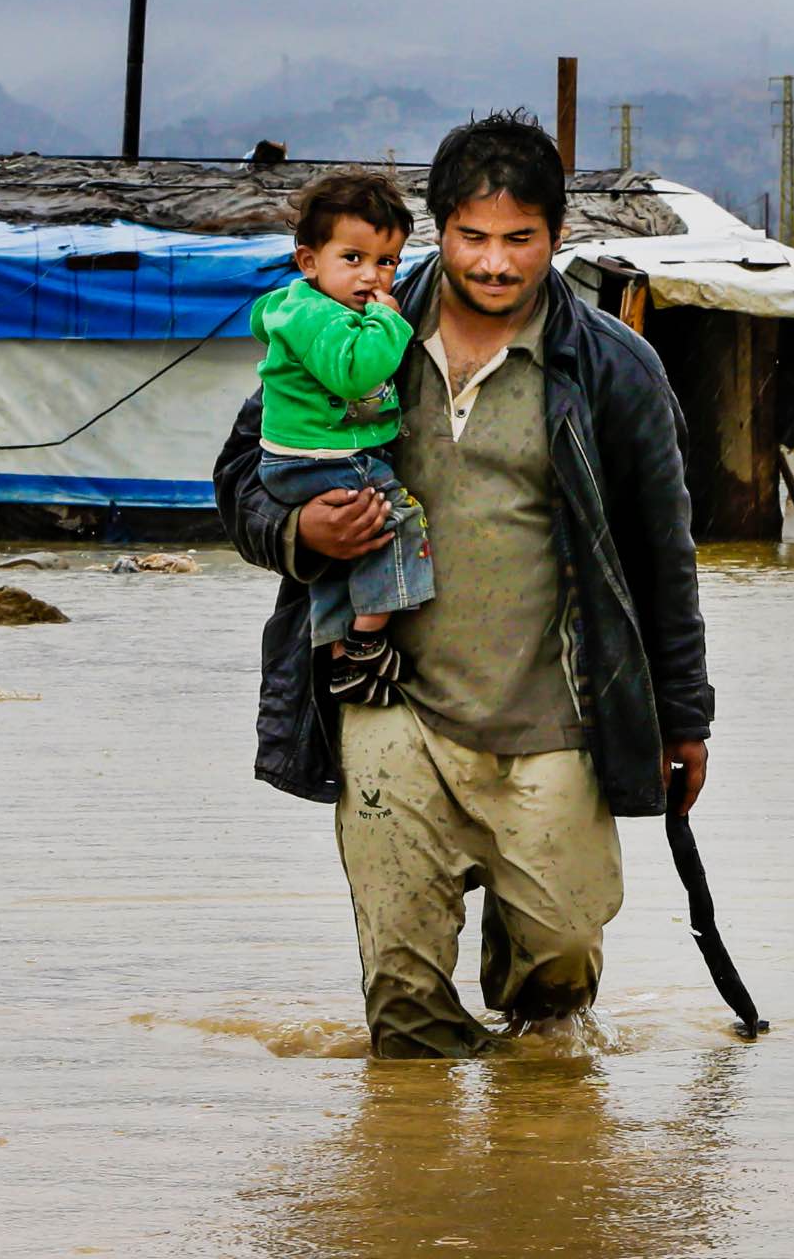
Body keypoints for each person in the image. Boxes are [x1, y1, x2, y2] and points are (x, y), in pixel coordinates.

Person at [214, 111, 714, 1058]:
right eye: (473, 238)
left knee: (557, 987)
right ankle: (420, 1192)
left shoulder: (613, 369)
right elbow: (243, 478)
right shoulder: (348, 335)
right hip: (389, 702)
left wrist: (685, 715)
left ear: (558, 237)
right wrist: (299, 532)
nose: (494, 262)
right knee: (402, 1005)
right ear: (436, 233)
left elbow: (664, 554)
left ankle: (532, 1170)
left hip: (556, 715)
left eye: (519, 239)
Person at [247, 170, 431, 707]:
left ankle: (338, 658)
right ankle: (369, 639)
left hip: (311, 457)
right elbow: (353, 374)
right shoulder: (315, 315)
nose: (371, 277)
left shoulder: (328, 310)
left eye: (386, 262)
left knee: (343, 557)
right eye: (352, 259)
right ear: (309, 261)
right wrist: (391, 322)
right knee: (398, 518)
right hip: (321, 457)